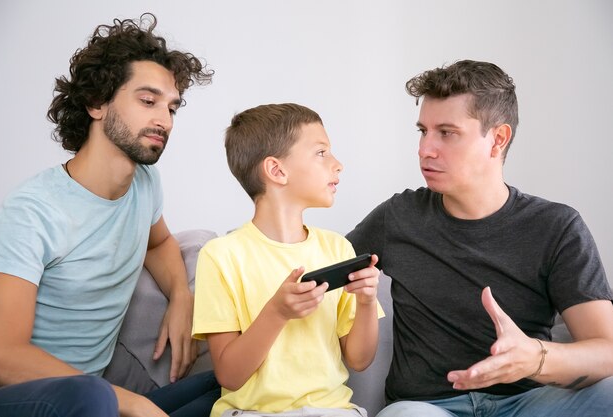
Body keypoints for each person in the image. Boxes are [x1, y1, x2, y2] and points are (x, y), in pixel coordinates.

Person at [346, 59, 613, 417]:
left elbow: (606, 348)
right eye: (422, 131)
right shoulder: (398, 217)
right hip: (427, 407)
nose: (426, 149)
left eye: (446, 132)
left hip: (531, 403)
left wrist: (535, 359)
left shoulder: (556, 226)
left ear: (497, 139)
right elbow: (309, 265)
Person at [0, 13, 220, 417]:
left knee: (232, 381)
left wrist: (182, 296)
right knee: (93, 397)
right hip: (20, 397)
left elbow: (159, 242)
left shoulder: (146, 184)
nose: (163, 120)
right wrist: (127, 402)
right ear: (97, 103)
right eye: (148, 101)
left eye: (172, 108)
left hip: (95, 401)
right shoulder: (32, 212)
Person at [192, 103, 383, 417]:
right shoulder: (221, 256)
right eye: (321, 152)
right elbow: (229, 375)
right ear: (277, 170)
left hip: (333, 412)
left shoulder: (338, 248)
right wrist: (277, 312)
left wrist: (366, 301)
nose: (338, 165)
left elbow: (360, 360)